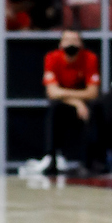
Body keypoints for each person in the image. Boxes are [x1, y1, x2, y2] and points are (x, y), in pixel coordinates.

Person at [42, 30, 100, 174]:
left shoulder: (90, 58)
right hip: (65, 104)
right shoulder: (52, 58)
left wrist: (77, 101)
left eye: (74, 40)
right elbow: (52, 92)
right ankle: (51, 159)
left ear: (81, 44)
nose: (71, 44)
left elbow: (92, 92)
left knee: (95, 109)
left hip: (84, 103)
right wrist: (77, 102)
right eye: (67, 40)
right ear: (61, 44)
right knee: (53, 109)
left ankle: (89, 162)